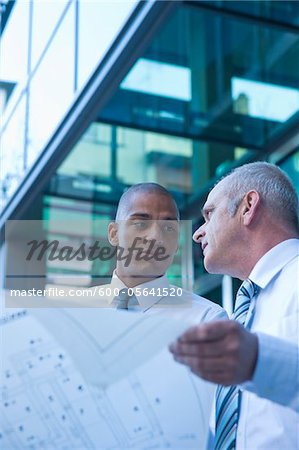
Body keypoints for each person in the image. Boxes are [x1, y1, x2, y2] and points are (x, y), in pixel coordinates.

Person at [169, 162, 299, 449]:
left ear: (248, 206)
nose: (197, 234)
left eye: (209, 214)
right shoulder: (239, 310)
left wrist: (259, 360)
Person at [96, 182, 227, 319]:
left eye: (168, 228)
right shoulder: (77, 312)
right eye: (141, 224)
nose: (155, 236)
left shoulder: (206, 319)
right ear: (114, 234)